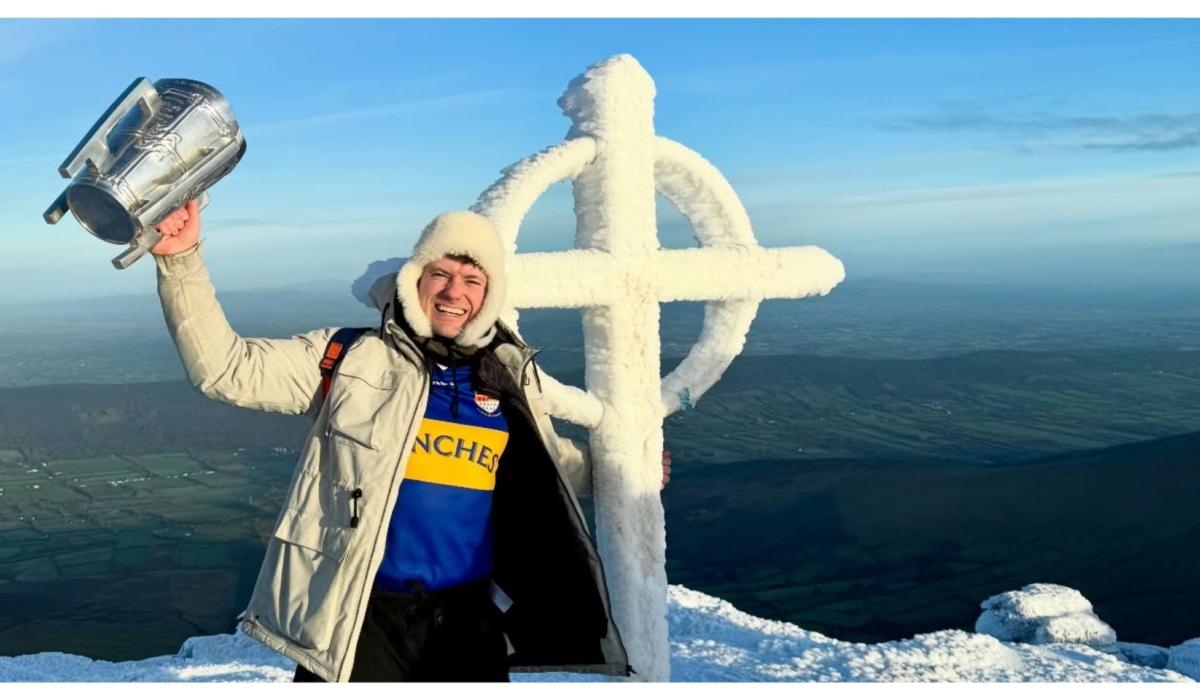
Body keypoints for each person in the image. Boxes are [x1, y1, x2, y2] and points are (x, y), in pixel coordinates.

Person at [151, 201, 670, 682]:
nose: (453, 292)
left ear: (490, 296)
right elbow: (226, 369)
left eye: (472, 279)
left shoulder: (506, 376)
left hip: (469, 620)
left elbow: (551, 467)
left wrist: (631, 470)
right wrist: (181, 261)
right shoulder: (352, 358)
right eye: (440, 274)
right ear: (413, 280)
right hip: (361, 616)